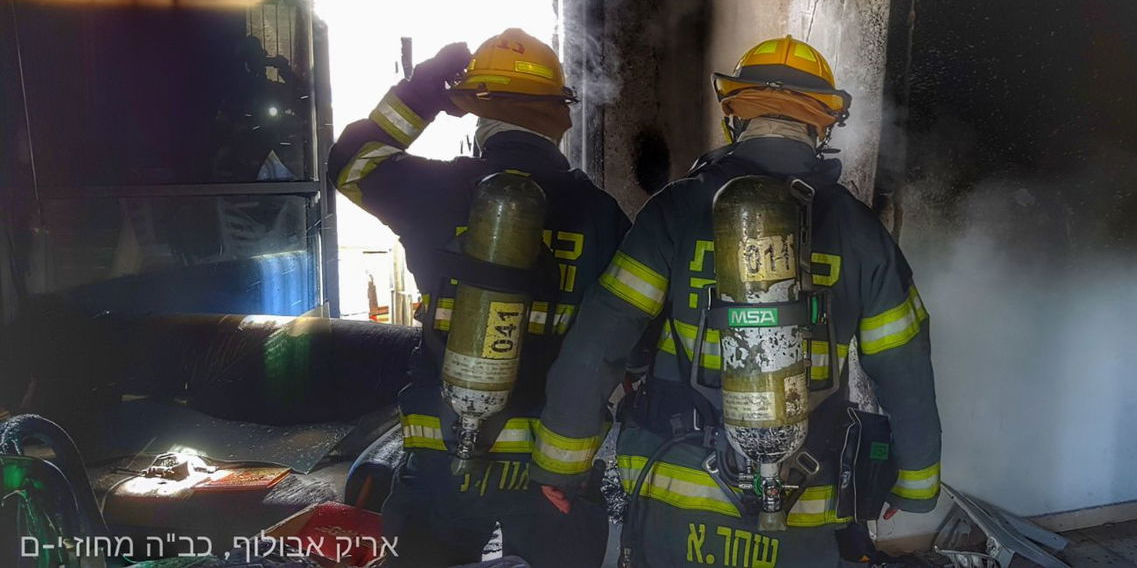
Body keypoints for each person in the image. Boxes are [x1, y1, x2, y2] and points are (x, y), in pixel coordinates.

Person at [533, 36, 942, 567]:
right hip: (804, 495)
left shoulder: (675, 210)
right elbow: (903, 366)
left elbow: (601, 337)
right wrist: (915, 482)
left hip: (676, 486)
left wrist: (560, 461)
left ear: (735, 115)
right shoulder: (860, 231)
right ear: (821, 125)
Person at [328, 29, 628, 567]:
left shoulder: (438, 191)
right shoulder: (601, 213)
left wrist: (423, 92)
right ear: (557, 119)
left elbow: (352, 163)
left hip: (446, 454)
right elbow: (630, 342)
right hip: (550, 465)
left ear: (479, 116)